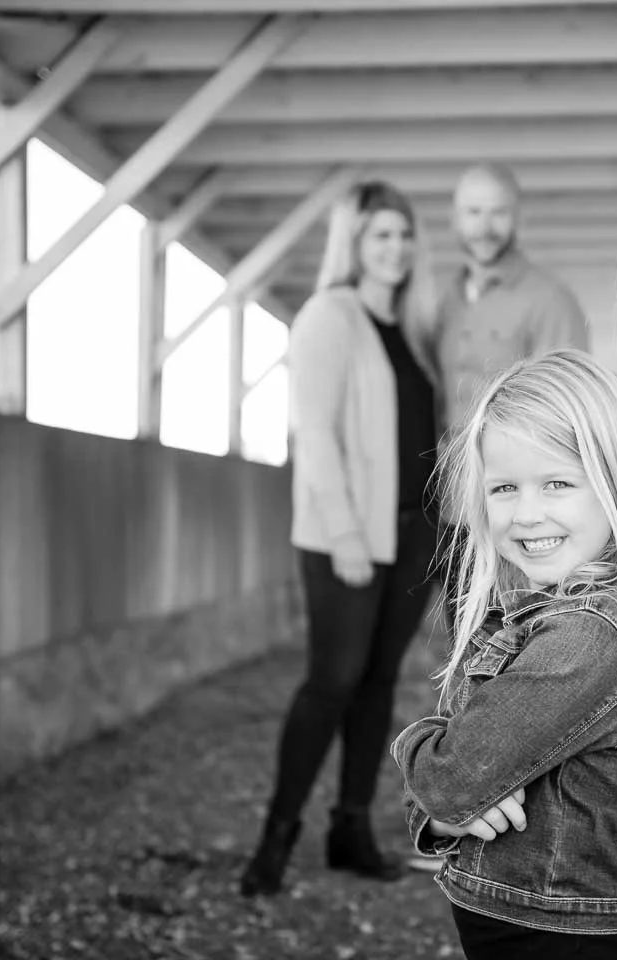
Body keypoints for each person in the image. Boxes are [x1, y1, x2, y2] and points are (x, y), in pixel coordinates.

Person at [392, 351, 617, 960]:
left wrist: (414, 747)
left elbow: (453, 781)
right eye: (505, 488)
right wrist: (440, 810)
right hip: (529, 923)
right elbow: (450, 801)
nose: (527, 513)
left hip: (557, 934)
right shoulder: (541, 611)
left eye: (558, 483)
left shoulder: (587, 638)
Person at [240, 180, 441, 897]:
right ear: (353, 243)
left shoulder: (414, 329)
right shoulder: (329, 316)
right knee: (331, 683)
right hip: (345, 539)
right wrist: (349, 533)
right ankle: (274, 841)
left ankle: (350, 830)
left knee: (379, 685)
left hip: (414, 537)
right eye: (379, 234)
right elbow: (315, 435)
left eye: (403, 233)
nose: (395, 247)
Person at [434, 162, 591, 436]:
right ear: (454, 219)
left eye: (499, 213)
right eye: (473, 212)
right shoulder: (448, 301)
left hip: (511, 471)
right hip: (450, 472)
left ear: (518, 219)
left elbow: (566, 408)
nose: (485, 227)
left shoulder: (550, 300)